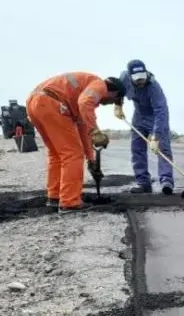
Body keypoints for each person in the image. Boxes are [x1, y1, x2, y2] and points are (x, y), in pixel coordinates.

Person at [25, 72, 125, 213]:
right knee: (73, 154)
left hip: (35, 103)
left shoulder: (81, 94)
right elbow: (85, 103)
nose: (109, 103)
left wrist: (91, 160)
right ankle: (70, 202)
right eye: (114, 100)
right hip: (51, 103)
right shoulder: (100, 85)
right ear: (114, 92)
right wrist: (96, 131)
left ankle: (54, 197)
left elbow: (84, 130)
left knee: (57, 154)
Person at [114, 59, 175, 195]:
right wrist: (118, 105)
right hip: (139, 115)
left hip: (155, 116)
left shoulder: (154, 87)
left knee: (163, 149)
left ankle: (166, 182)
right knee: (137, 149)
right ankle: (143, 182)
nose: (140, 81)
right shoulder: (124, 77)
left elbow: (161, 111)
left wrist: (156, 137)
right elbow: (119, 90)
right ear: (130, 76)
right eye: (137, 79)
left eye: (142, 77)